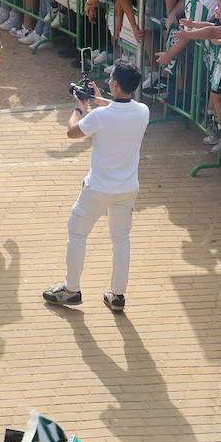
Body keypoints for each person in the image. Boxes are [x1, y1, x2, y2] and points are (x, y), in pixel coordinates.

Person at [42, 62, 149, 313]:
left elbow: (72, 132)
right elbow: (118, 111)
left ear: (114, 84)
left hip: (98, 189)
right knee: (121, 239)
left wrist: (79, 107)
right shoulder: (143, 111)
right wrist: (98, 99)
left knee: (77, 233)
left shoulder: (100, 116)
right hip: (127, 189)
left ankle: (71, 289)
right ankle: (117, 295)